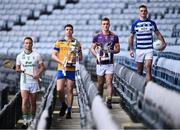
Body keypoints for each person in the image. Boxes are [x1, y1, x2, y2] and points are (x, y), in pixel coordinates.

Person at [128, 4, 166, 81]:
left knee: (148, 67)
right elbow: (131, 37)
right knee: (139, 71)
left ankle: (148, 89)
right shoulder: (135, 24)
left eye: (145, 11)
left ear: (147, 12)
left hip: (149, 49)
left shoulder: (152, 23)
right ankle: (140, 89)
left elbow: (158, 33)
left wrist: (164, 43)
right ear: (139, 13)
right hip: (139, 50)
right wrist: (131, 49)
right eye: (141, 11)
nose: (143, 12)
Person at [52, 24, 83, 119]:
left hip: (71, 69)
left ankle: (69, 110)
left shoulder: (76, 43)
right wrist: (61, 61)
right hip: (61, 68)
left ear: (72, 31)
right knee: (59, 89)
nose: (68, 31)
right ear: (64, 31)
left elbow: (81, 57)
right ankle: (63, 104)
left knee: (69, 89)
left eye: (70, 30)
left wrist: (76, 58)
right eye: (67, 29)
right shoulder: (59, 42)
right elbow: (53, 55)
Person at [90, 17, 120, 109]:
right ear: (101, 25)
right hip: (100, 63)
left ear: (109, 25)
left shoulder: (114, 36)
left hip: (110, 63)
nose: (105, 25)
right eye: (104, 24)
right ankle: (99, 100)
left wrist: (113, 51)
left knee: (109, 82)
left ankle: (109, 101)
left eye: (107, 24)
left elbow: (118, 49)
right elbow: (92, 48)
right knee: (100, 83)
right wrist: (96, 56)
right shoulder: (97, 36)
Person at [16, 37, 45, 125]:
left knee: (33, 103)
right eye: (26, 43)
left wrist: (38, 74)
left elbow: (42, 67)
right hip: (24, 82)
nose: (28, 44)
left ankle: (32, 120)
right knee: (24, 101)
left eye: (29, 43)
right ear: (24, 44)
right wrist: (18, 70)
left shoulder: (37, 55)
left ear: (32, 44)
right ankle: (25, 121)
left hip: (34, 82)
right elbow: (17, 68)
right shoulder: (19, 56)